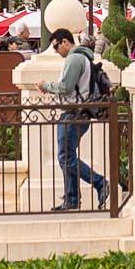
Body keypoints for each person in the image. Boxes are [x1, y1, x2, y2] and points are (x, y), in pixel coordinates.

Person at [48, 28, 109, 211]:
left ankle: (99, 183)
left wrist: (46, 86)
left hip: (74, 112)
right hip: (80, 112)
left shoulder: (74, 58)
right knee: (68, 156)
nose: (56, 51)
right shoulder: (84, 58)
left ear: (65, 42)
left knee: (65, 157)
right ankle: (71, 199)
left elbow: (66, 87)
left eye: (56, 46)